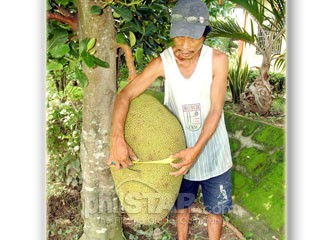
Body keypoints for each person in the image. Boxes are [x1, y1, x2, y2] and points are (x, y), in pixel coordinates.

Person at [107, 0, 233, 239]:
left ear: (205, 35)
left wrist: (196, 150)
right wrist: (117, 139)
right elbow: (125, 95)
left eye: (193, 38)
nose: (184, 46)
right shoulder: (162, 63)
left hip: (214, 155)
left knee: (215, 212)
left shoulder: (218, 60)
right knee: (182, 207)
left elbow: (216, 109)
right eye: (179, 37)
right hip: (177, 155)